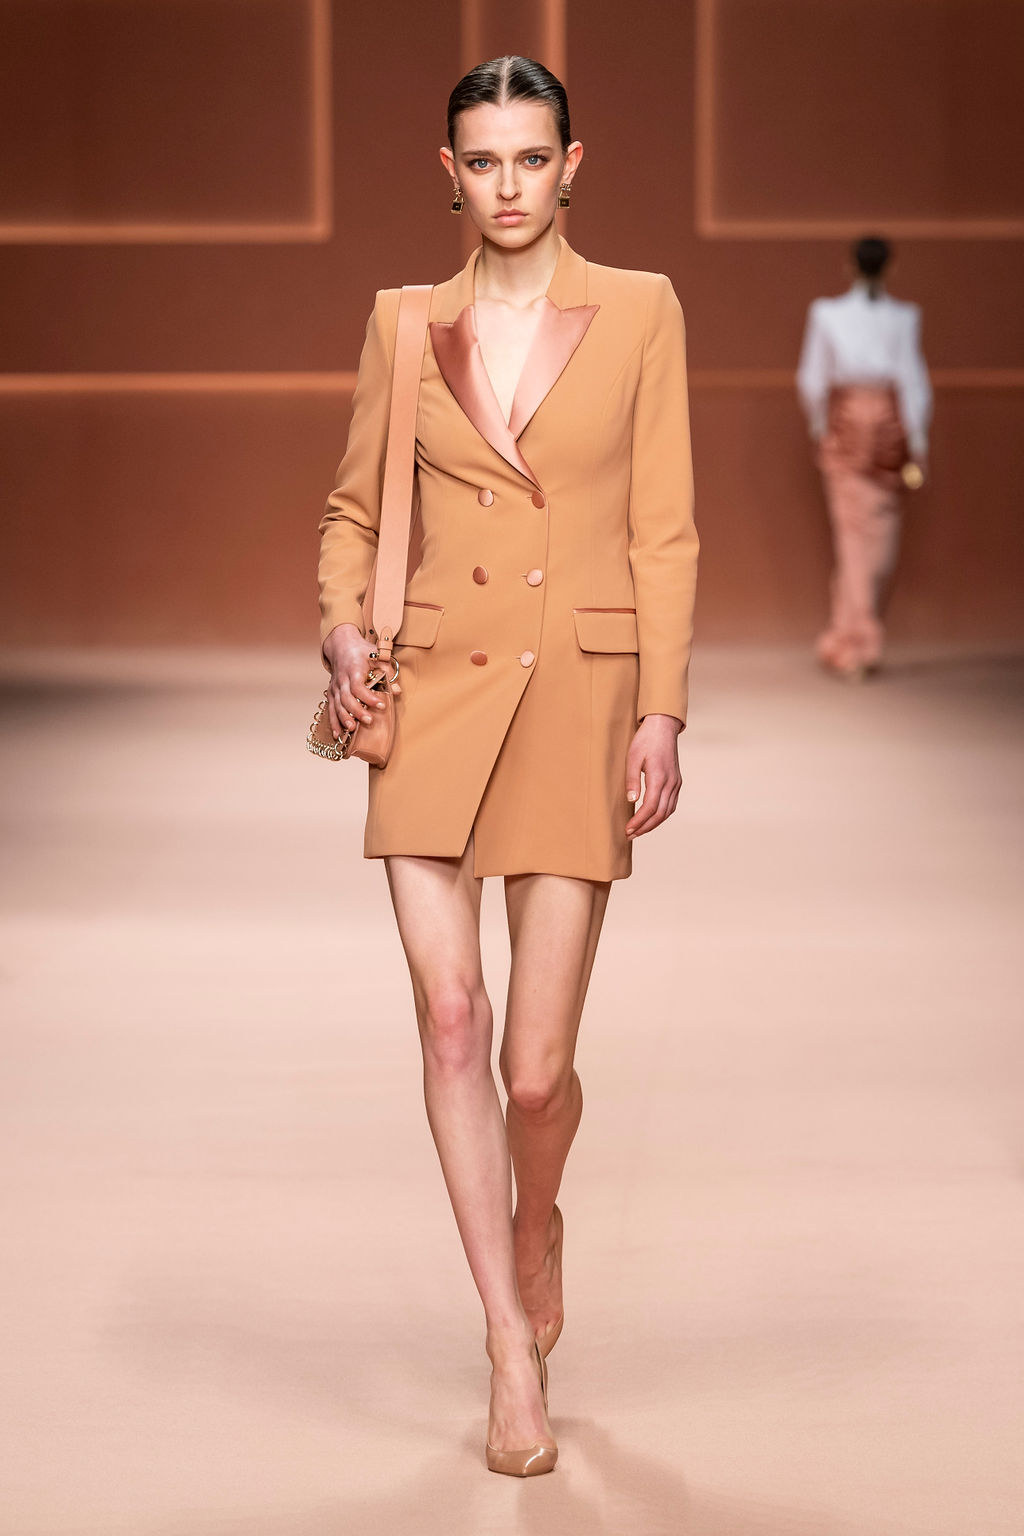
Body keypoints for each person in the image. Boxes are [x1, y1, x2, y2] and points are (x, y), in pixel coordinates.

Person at [316, 55, 698, 1476]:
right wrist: (341, 629)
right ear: (451, 174)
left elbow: (665, 528)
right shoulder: (403, 324)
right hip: (430, 697)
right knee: (451, 1020)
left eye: (532, 159)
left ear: (571, 164)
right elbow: (353, 511)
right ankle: (502, 1345)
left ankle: (539, 1221)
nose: (509, 186)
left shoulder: (643, 309)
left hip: (578, 699)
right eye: (483, 162)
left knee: (535, 1077)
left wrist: (661, 708)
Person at [797, 235, 932, 679]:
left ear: (850, 266)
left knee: (872, 544)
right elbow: (910, 381)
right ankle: (859, 643)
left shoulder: (900, 316)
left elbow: (814, 378)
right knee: (860, 541)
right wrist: (916, 439)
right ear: (889, 267)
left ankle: (845, 637)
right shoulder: (830, 313)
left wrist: (822, 426)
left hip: (870, 430)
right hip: (864, 428)